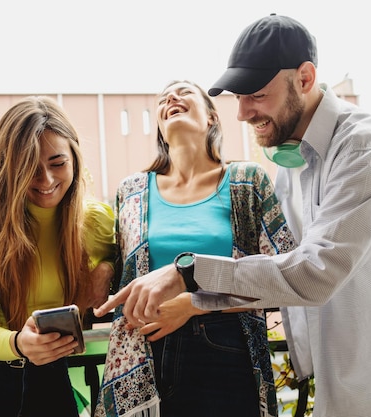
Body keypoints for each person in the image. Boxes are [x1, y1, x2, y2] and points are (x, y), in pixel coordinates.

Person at [96, 14, 371, 417]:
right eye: (238, 97)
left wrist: (187, 273)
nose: (243, 113)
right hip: (346, 370)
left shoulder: (364, 150)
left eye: (257, 95)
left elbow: (314, 272)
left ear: (305, 78)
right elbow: (279, 268)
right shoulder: (292, 161)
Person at [95, 80, 295, 417]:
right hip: (142, 357)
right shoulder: (130, 192)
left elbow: (283, 278)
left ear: (212, 118)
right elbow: (117, 272)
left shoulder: (246, 181)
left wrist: (194, 304)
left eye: (184, 91)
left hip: (225, 350)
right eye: (164, 98)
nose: (172, 97)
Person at [0, 96, 116, 417]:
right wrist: (19, 343)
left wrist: (107, 268)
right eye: (29, 168)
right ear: (8, 168)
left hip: (49, 376)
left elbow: (130, 259)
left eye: (57, 163)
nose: (46, 180)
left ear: (74, 157)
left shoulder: (95, 222)